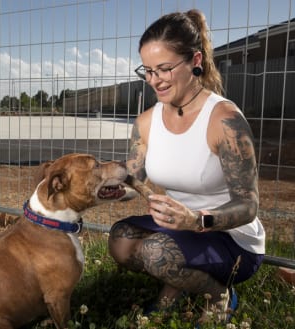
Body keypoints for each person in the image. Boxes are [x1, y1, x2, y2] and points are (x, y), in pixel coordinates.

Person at [108, 9, 265, 324]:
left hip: (229, 235)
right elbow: (133, 178)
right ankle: (177, 284)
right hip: (179, 227)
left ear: (195, 61)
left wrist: (197, 220)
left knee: (155, 252)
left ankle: (220, 295)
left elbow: (248, 206)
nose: (154, 80)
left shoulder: (224, 119)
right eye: (147, 70)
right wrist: (101, 185)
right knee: (120, 239)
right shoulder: (146, 122)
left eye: (164, 69)